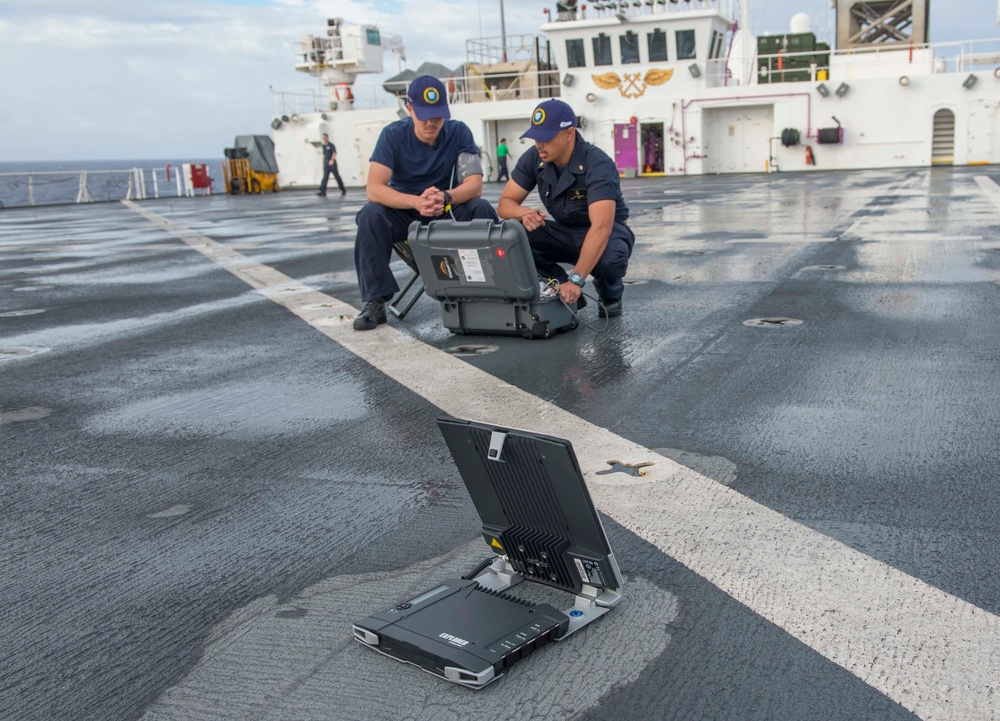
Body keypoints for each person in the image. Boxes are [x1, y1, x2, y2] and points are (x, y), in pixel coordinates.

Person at [352, 75, 498, 330]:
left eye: (438, 115)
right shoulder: (392, 136)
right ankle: (375, 302)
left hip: (445, 208)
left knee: (481, 208)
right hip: (407, 210)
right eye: (424, 115)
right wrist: (416, 202)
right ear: (409, 109)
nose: (431, 122)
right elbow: (374, 189)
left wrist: (445, 197)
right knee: (370, 215)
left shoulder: (458, 131)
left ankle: (499, 287)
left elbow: (474, 185)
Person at [497, 99, 633, 318]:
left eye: (546, 137)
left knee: (610, 260)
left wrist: (577, 278)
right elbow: (505, 204)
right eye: (535, 137)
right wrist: (524, 213)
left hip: (605, 232)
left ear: (569, 134)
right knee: (513, 232)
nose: (539, 144)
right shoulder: (535, 157)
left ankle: (610, 293)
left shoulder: (597, 164)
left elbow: (601, 227)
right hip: (564, 231)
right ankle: (560, 287)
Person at [317, 133, 346, 197]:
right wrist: (323, 163)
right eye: (323, 138)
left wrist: (332, 160)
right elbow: (324, 155)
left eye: (325, 137)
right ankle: (322, 191)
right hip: (326, 163)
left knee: (336, 176)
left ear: (327, 138)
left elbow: (334, 152)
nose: (324, 139)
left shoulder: (331, 145)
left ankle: (342, 189)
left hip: (332, 163)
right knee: (325, 177)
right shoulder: (324, 146)